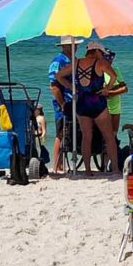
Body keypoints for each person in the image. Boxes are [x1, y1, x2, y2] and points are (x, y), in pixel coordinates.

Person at [55, 40, 120, 176]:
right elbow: (114, 76)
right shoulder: (101, 63)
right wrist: (107, 89)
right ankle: (114, 168)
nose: (102, 55)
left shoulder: (76, 63)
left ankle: (88, 171)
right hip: (97, 102)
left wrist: (70, 86)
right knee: (108, 137)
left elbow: (59, 76)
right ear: (96, 51)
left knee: (86, 137)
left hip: (82, 103)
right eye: (101, 52)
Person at [49, 36, 81, 174]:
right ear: (65, 46)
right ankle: (56, 165)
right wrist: (62, 103)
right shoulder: (58, 61)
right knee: (61, 133)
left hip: (75, 101)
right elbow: (54, 86)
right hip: (64, 102)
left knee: (71, 131)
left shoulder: (74, 60)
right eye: (72, 45)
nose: (75, 47)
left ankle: (63, 163)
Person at [102, 47, 128, 136]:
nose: (110, 60)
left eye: (111, 57)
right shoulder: (99, 72)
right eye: (107, 57)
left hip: (116, 107)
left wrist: (111, 92)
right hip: (104, 108)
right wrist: (117, 88)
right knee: (104, 134)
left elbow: (125, 88)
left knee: (114, 134)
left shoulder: (116, 70)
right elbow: (102, 93)